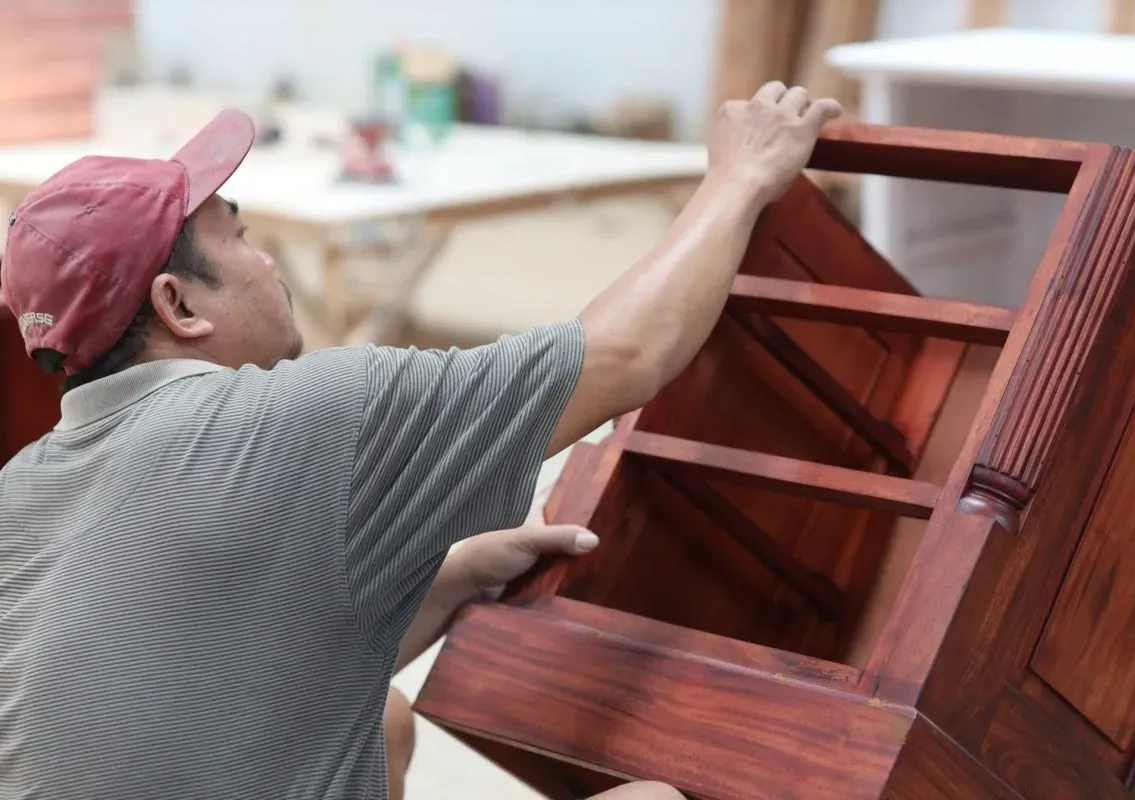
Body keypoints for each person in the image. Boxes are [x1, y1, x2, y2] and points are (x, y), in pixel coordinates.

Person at [0, 80, 841, 800]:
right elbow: (625, 353)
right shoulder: (303, 421)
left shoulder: (22, 489)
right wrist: (742, 175)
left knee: (388, 724)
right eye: (242, 235)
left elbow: (193, 676)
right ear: (180, 306)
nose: (264, 261)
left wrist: (446, 577)